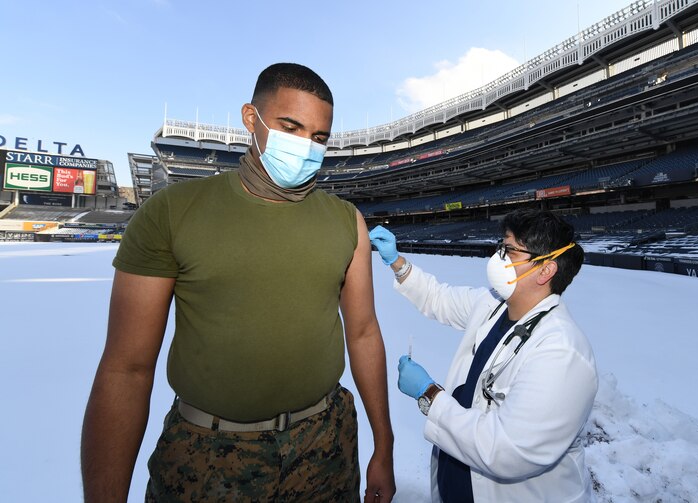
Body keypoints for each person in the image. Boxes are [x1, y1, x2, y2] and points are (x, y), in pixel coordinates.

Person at [81, 63, 396, 502]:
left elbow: (363, 333)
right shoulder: (173, 212)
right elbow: (126, 370)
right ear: (251, 118)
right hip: (207, 457)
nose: (305, 146)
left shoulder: (347, 222)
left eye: (319, 137)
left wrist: (385, 445)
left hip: (327, 447)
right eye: (290, 127)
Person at [369, 209, 597, 502]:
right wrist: (397, 262)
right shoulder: (493, 305)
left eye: (510, 251)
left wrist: (429, 395)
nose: (498, 258)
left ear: (545, 270)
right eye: (501, 247)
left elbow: (506, 450)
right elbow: (439, 297)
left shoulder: (562, 353)